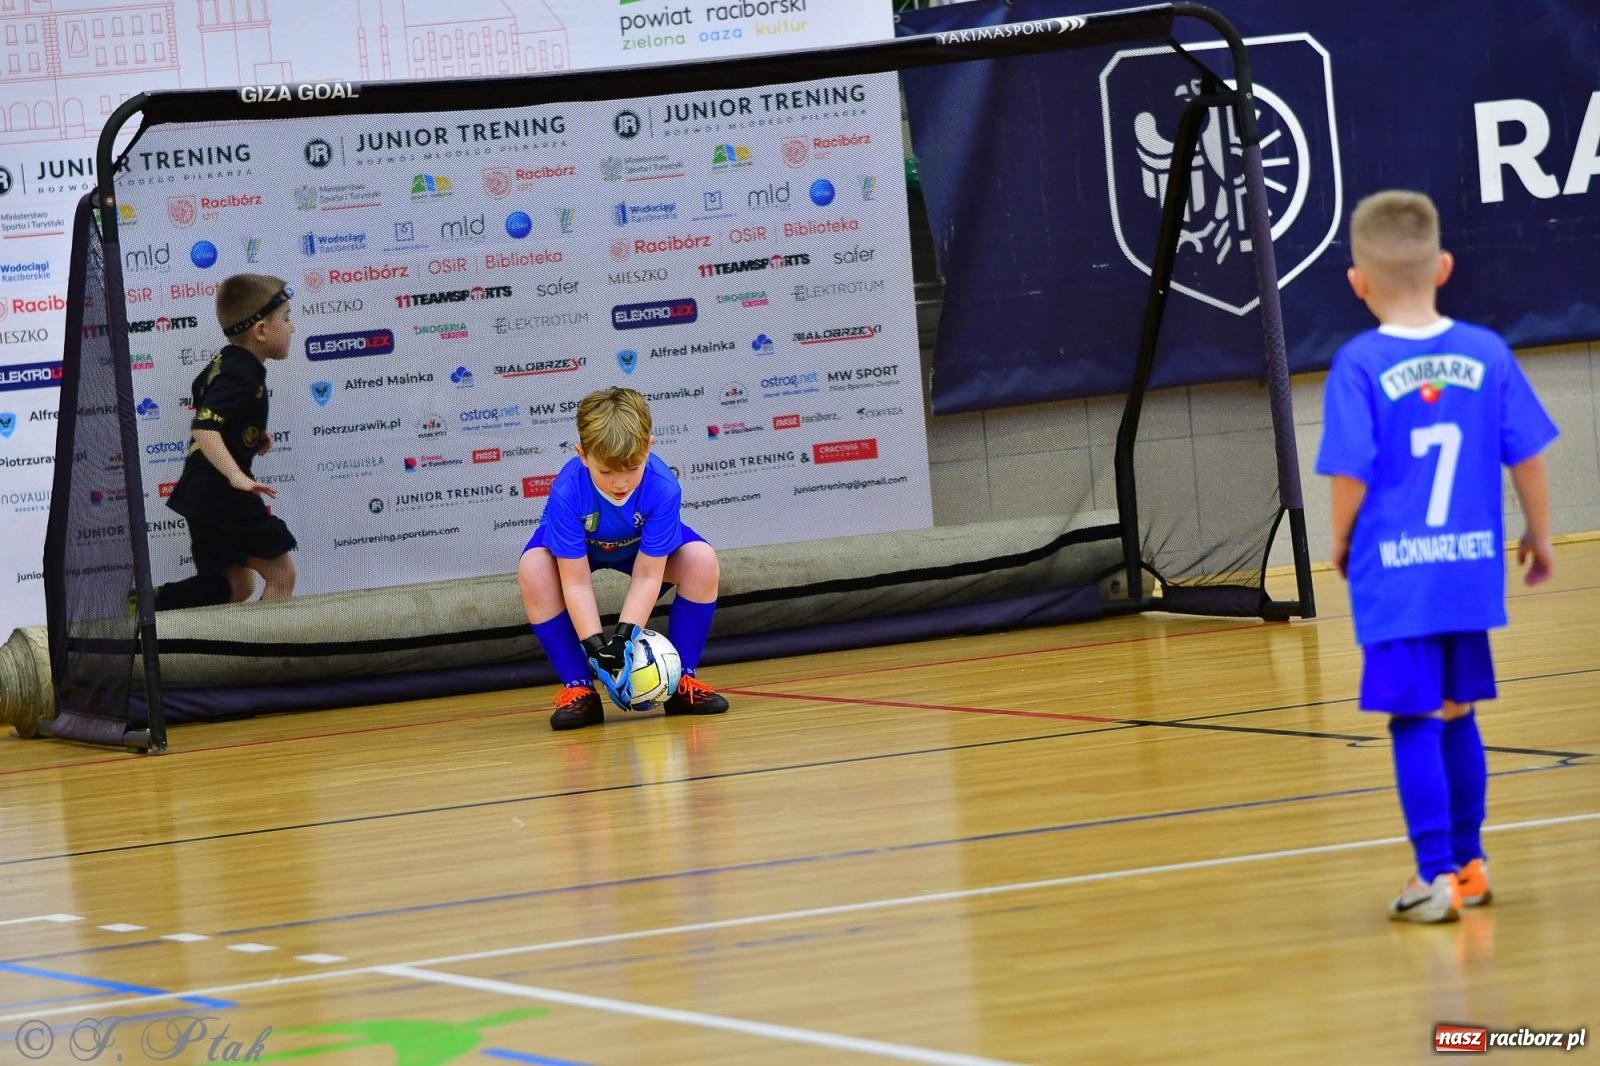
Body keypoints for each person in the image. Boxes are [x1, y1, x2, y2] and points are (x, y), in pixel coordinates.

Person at [1315, 190, 1558, 923]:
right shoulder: (1486, 351)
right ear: (1444, 266)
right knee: (1459, 712)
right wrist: (1539, 536)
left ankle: (1434, 875)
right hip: (1466, 569)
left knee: (1413, 719)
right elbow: (1530, 458)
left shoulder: (1358, 363)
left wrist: (1337, 539)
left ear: (1357, 282)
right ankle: (1473, 865)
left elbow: (1351, 471)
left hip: (1397, 575)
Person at [518, 386, 730, 730]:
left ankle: (681, 682)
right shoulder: (566, 491)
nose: (620, 483)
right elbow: (576, 581)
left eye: (632, 468)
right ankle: (579, 689)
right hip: (581, 557)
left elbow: (648, 576)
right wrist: (597, 647)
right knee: (534, 568)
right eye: (606, 472)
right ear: (582, 455)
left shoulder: (663, 486)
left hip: (639, 553)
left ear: (648, 447)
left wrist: (623, 640)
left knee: (701, 559)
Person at [157, 274, 298, 610]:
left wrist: (249, 433)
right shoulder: (243, 373)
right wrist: (236, 475)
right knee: (281, 574)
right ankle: (269, 654)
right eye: (287, 319)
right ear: (261, 331)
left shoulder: (227, 361)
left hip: (201, 496)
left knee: (235, 585)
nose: (292, 328)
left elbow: (204, 395)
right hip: (223, 494)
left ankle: (153, 602)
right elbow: (204, 427)